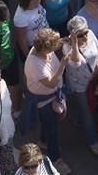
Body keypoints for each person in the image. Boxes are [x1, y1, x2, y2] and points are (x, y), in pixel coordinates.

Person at [22, 28, 71, 174]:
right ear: (45, 47)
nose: (55, 48)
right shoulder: (35, 63)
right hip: (44, 101)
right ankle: (56, 158)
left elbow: (53, 46)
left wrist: (63, 40)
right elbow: (50, 83)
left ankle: (43, 141)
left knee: (49, 123)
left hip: (53, 96)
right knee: (53, 129)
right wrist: (62, 64)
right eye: (53, 46)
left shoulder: (41, 49)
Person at [60, 15, 98, 157]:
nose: (85, 37)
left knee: (93, 105)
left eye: (86, 32)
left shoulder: (90, 34)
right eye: (80, 35)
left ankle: (77, 118)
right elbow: (76, 62)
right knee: (87, 113)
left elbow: (97, 47)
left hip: (94, 79)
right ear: (73, 35)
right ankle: (92, 141)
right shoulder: (68, 47)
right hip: (79, 85)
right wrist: (74, 44)